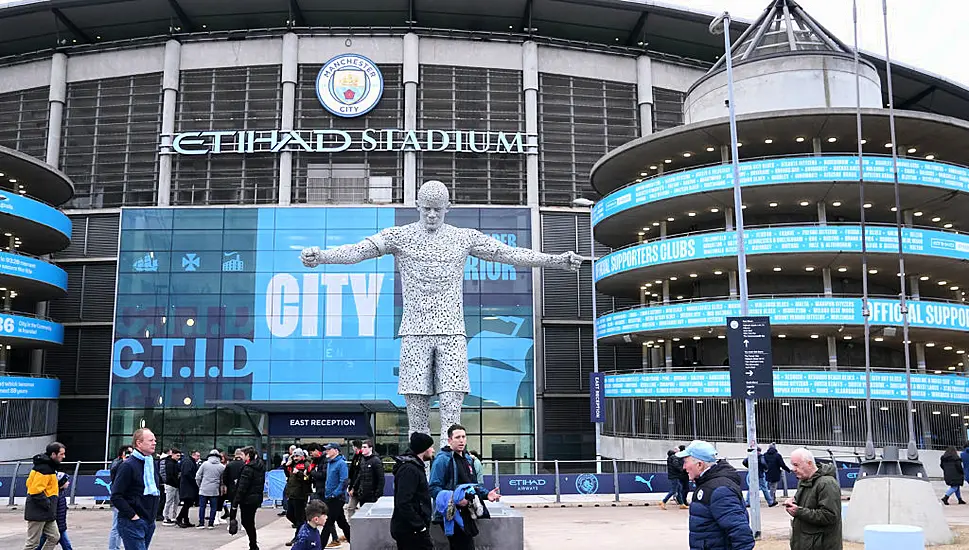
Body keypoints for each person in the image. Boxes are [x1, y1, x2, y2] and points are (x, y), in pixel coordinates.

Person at [300, 180, 582, 447]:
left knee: (451, 404)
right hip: (414, 330)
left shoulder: (463, 238)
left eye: (437, 209)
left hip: (451, 331)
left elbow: (506, 253)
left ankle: (450, 462)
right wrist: (324, 256)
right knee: (417, 410)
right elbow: (359, 251)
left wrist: (554, 260)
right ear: (417, 206)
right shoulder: (400, 236)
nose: (432, 215)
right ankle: (418, 467)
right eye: (426, 208)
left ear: (449, 207)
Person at [429, 424, 500, 550]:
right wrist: (455, 499)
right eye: (457, 437)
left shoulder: (468, 458)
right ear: (450, 440)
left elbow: (473, 484)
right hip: (450, 513)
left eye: (463, 437)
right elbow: (434, 488)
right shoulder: (442, 460)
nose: (461, 440)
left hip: (467, 511)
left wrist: (486, 494)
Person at [677, 440, 754, 550]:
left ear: (699, 465)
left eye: (686, 462)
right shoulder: (708, 485)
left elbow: (741, 534)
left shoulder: (720, 490)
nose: (684, 467)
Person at [111, 429, 162, 550]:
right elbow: (116, 496)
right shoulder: (128, 465)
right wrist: (133, 516)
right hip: (133, 522)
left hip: (148, 521)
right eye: (150, 440)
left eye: (155, 440)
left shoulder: (150, 463)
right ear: (139, 443)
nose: (154, 443)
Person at [787, 448, 842, 550]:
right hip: (805, 543)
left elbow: (830, 516)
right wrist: (793, 501)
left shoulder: (827, 484)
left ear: (809, 463)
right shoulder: (804, 481)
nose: (793, 469)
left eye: (796, 465)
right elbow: (808, 502)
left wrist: (798, 511)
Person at [392, 432, 436, 550]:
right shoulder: (410, 469)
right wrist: (419, 526)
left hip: (413, 530)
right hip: (411, 531)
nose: (433, 450)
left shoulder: (414, 467)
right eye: (431, 447)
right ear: (424, 449)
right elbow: (403, 502)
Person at [24, 442, 66, 550]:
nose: (63, 456)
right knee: (32, 544)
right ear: (53, 454)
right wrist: (48, 504)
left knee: (54, 537)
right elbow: (35, 491)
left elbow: (31, 485)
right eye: (61, 454)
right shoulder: (44, 469)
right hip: (38, 512)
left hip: (46, 512)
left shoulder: (48, 467)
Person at [232, 446, 266, 550]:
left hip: (247, 499)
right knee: (249, 522)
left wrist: (235, 502)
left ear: (248, 455)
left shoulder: (248, 468)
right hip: (255, 498)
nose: (240, 457)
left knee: (247, 522)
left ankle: (253, 545)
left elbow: (242, 487)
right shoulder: (260, 465)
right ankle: (253, 544)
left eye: (242, 454)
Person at [320, 443, 351, 548]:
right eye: (326, 449)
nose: (326, 451)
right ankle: (356, 543)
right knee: (342, 523)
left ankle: (319, 547)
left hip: (337, 498)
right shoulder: (329, 463)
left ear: (336, 451)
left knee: (328, 523)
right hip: (329, 497)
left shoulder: (341, 463)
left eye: (329, 449)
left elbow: (344, 481)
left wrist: (334, 494)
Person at [284, 449, 314, 546]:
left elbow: (308, 479)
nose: (295, 458)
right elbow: (288, 475)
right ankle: (304, 527)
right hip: (292, 494)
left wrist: (299, 473)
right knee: (289, 515)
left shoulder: (306, 465)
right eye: (294, 456)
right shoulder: (292, 465)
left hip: (301, 495)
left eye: (297, 456)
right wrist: (286, 466)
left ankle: (297, 538)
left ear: (302, 456)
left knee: (299, 518)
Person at [37, 472, 72, 550]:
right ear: (61, 483)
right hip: (56, 526)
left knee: (41, 543)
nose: (68, 483)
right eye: (66, 481)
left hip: (59, 525)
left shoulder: (60, 494)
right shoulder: (55, 496)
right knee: (67, 546)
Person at [108, 445, 132, 548]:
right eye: (129, 452)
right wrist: (124, 461)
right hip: (119, 498)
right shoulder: (118, 463)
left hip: (126, 499)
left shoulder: (125, 464)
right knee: (116, 527)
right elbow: (114, 473)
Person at [352, 439, 386, 512]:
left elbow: (381, 479)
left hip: (372, 495)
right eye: (362, 447)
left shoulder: (376, 461)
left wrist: (377, 494)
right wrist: (354, 487)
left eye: (365, 447)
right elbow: (360, 475)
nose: (362, 449)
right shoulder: (362, 460)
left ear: (370, 448)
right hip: (363, 494)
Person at [195, 449, 226, 529]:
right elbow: (223, 479)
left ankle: (201, 523)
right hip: (214, 489)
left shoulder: (205, 464)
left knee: (202, 507)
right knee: (213, 507)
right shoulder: (221, 467)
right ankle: (211, 524)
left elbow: (197, 476)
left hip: (204, 488)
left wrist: (200, 485)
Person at [175, 450, 200, 528]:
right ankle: (179, 518)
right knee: (187, 503)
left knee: (188, 504)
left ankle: (186, 520)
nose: (198, 458)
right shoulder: (188, 462)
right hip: (188, 486)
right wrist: (194, 480)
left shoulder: (189, 461)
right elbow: (187, 473)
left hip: (188, 486)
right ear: (193, 455)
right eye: (197, 456)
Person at [223, 448, 246, 526]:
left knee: (233, 507)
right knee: (243, 508)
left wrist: (228, 485)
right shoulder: (245, 465)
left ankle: (231, 523)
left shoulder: (229, 465)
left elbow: (225, 478)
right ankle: (243, 525)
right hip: (243, 489)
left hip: (232, 488)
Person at [159, 448, 181, 525]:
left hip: (173, 484)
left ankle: (172, 517)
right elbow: (170, 475)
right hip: (171, 484)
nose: (179, 457)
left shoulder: (173, 462)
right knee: (169, 501)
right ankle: (166, 517)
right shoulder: (170, 463)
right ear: (173, 454)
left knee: (175, 501)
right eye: (177, 455)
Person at [346, 440, 364, 517]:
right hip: (354, 487)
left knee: (364, 508)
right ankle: (351, 526)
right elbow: (352, 473)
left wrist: (353, 487)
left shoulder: (363, 457)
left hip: (360, 488)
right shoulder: (355, 457)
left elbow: (359, 474)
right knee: (350, 508)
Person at [280, 445, 296, 517]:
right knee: (286, 494)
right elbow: (286, 470)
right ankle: (287, 509)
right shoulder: (289, 458)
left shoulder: (295, 461)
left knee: (288, 494)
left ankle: (288, 509)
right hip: (290, 479)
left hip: (294, 481)